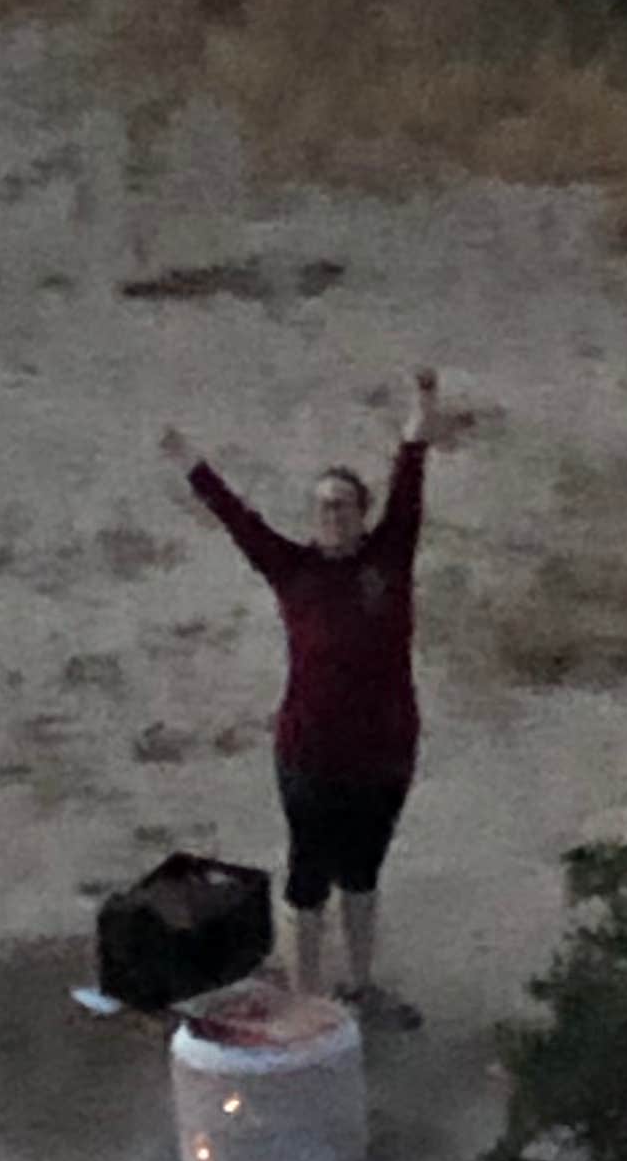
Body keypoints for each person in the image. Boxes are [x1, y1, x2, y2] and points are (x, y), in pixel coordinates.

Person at [160, 371, 444, 1024]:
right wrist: (189, 462)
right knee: (308, 880)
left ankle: (362, 986)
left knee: (365, 877)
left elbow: (410, 476)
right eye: (321, 505)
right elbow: (236, 517)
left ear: (362, 514)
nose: (331, 514)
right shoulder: (292, 569)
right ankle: (308, 1002)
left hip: (387, 752)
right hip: (310, 756)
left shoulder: (389, 557)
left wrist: (423, 411)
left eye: (343, 504)